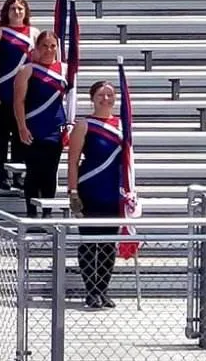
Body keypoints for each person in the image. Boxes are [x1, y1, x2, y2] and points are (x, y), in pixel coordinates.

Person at [67, 80, 128, 309]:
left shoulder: (123, 125)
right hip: (90, 188)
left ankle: (103, 288)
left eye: (110, 95)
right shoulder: (84, 125)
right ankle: (90, 290)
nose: (106, 99)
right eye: (101, 95)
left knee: (107, 244)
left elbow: (128, 162)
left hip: (113, 191)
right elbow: (72, 161)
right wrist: (73, 192)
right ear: (92, 98)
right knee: (89, 242)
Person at [0, 0, 39, 188]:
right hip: (4, 88)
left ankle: (18, 173)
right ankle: (2, 173)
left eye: (20, 9)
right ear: (6, 12)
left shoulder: (34, 33)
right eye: (13, 9)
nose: (17, 12)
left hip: (26, 91)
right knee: (3, 132)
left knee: (20, 132)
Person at [13, 31, 69, 210]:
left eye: (52, 46)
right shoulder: (27, 70)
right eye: (44, 45)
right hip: (33, 127)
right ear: (36, 48)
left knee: (50, 173)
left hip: (56, 128)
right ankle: (31, 212)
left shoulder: (64, 70)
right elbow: (18, 101)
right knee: (33, 172)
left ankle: (47, 214)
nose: (49, 50)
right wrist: (22, 126)